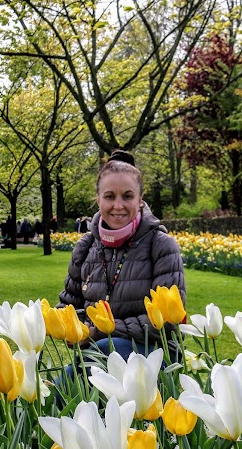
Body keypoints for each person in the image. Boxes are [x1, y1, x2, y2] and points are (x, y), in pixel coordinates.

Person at [57, 150, 185, 360]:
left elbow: (167, 320)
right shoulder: (85, 247)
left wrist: (99, 330)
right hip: (95, 354)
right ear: (98, 199)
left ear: (140, 200)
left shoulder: (161, 245)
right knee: (80, 371)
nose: (118, 206)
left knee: (108, 349)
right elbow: (68, 306)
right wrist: (73, 328)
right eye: (109, 196)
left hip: (153, 354)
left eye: (127, 196)